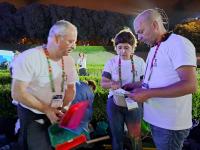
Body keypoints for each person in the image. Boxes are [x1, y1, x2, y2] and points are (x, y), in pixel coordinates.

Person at [129, 9, 198, 150]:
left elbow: (190, 85)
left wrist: (148, 93)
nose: (139, 37)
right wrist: (136, 85)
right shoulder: (154, 48)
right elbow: (155, 79)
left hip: (169, 125)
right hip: (158, 121)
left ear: (155, 25)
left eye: (141, 31)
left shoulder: (179, 44)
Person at [11, 20, 78, 150]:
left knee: (56, 144)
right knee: (32, 145)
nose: (74, 46)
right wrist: (46, 109)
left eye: (74, 42)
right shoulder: (29, 57)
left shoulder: (69, 60)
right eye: (70, 41)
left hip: (56, 111)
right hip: (32, 112)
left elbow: (71, 88)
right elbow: (18, 92)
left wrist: (63, 107)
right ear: (57, 38)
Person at [101, 28, 146, 150]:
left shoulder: (139, 62)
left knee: (135, 137)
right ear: (115, 47)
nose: (122, 51)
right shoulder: (111, 62)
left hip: (134, 101)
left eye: (126, 47)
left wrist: (135, 85)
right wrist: (111, 83)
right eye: (119, 47)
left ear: (133, 48)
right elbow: (103, 83)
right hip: (115, 102)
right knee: (117, 136)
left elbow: (145, 82)